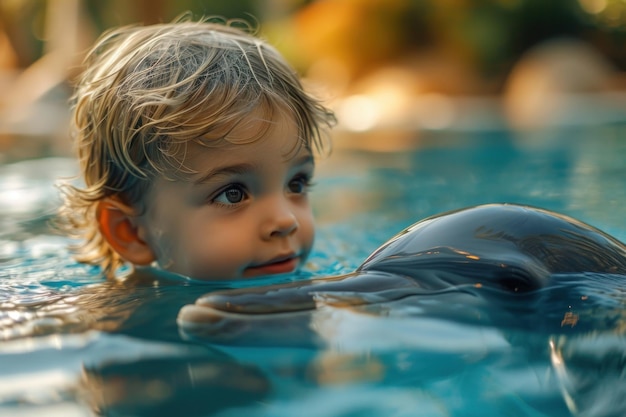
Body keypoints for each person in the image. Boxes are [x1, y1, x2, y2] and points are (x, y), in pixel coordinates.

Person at [57, 16, 336, 281]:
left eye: (296, 184)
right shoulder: (123, 322)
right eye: (233, 194)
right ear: (132, 233)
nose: (286, 220)